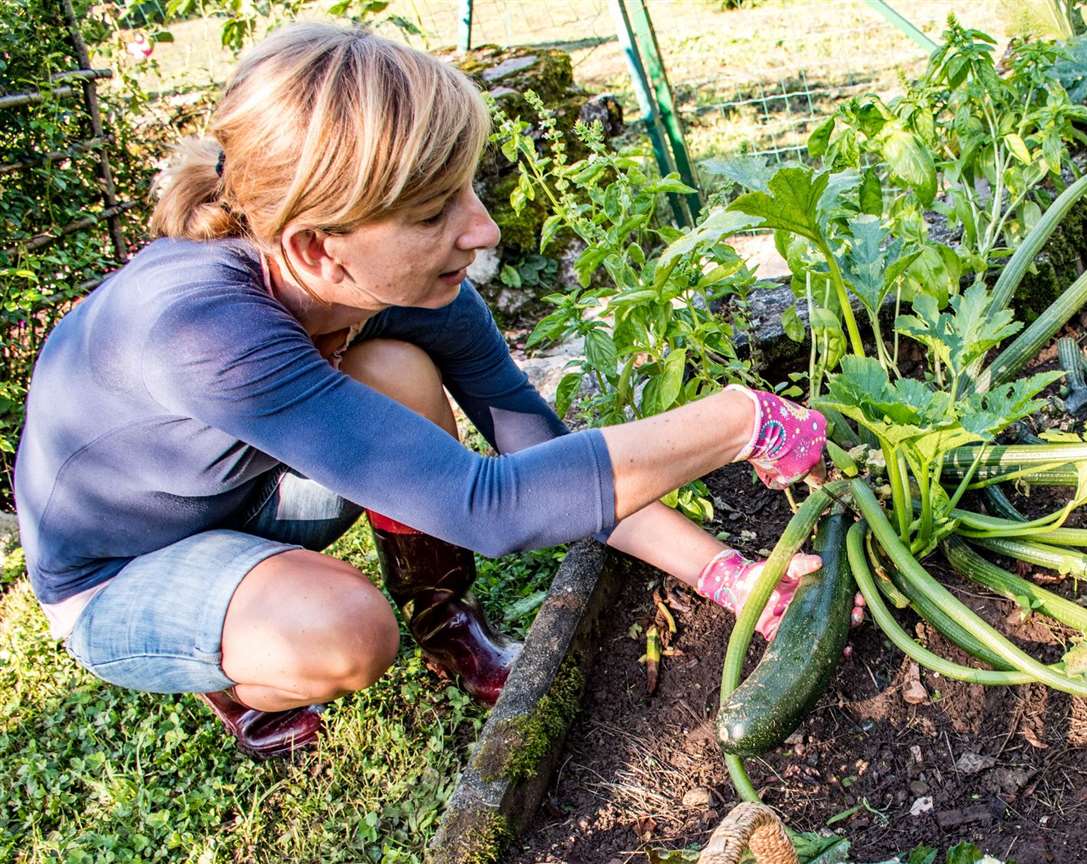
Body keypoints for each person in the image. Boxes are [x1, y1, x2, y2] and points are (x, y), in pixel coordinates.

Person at [12, 23, 840, 759]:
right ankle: (233, 669)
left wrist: (733, 577)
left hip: (241, 487)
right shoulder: (204, 332)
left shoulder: (400, 287)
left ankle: (445, 622)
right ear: (314, 249)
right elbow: (492, 505)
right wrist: (743, 420)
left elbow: (541, 456)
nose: (481, 232)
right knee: (346, 632)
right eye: (435, 212)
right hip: (121, 569)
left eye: (468, 191)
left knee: (395, 370)